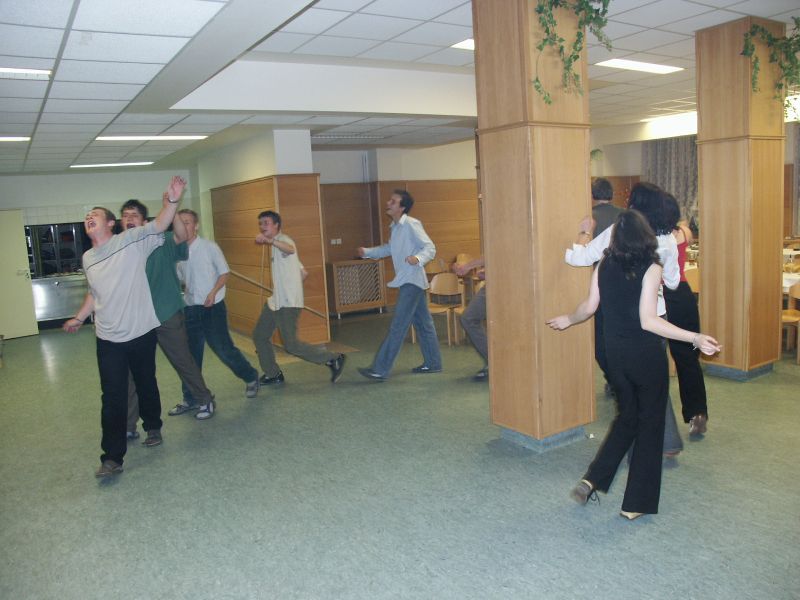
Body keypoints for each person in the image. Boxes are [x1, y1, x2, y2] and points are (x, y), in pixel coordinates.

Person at [547, 210, 720, 520]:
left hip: (615, 356)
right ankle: (635, 504)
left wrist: (568, 320)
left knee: (627, 417)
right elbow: (649, 321)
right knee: (650, 424)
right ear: (645, 236)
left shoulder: (604, 264)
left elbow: (588, 307)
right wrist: (694, 337)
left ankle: (593, 478)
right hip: (645, 356)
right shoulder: (651, 268)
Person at [63, 176, 187, 478]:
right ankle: (112, 458)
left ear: (110, 223)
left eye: (95, 214)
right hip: (108, 338)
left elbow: (161, 224)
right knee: (112, 397)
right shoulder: (88, 258)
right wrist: (79, 317)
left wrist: (172, 201)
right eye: (86, 216)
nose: (89, 218)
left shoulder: (131, 241)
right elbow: (94, 293)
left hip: (141, 332)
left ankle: (153, 426)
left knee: (145, 383)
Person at [566, 182, 684, 457]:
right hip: (657, 316)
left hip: (625, 318)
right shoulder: (667, 238)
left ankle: (641, 444)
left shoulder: (618, 231)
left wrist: (584, 232)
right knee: (652, 380)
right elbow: (673, 282)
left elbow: (580, 258)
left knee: (630, 382)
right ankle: (667, 441)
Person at [119, 197, 216, 431]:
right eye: (126, 215)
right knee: (132, 373)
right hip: (136, 320)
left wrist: (172, 207)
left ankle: (204, 399)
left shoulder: (160, 240)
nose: (129, 219)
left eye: (134, 215)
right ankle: (130, 425)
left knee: (182, 360)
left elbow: (182, 235)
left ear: (145, 221)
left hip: (166, 313)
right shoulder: (119, 248)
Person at [252, 210, 346, 385]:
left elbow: (290, 249)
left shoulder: (284, 240)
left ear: (276, 225)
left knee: (291, 345)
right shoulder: (276, 246)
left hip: (287, 303)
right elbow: (303, 273)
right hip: (276, 301)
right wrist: (290, 283)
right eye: (260, 223)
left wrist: (270, 241)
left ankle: (333, 359)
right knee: (259, 336)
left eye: (266, 223)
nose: (262, 227)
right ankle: (273, 374)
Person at [356, 189, 441, 381]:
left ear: (402, 208)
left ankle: (380, 369)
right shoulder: (395, 227)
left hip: (412, 280)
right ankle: (434, 363)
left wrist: (417, 258)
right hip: (411, 281)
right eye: (390, 200)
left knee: (398, 326)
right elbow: (389, 249)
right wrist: (367, 252)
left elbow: (430, 247)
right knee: (424, 324)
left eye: (393, 201)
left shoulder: (411, 224)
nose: (388, 203)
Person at [176, 209, 260, 402]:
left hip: (212, 308)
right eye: (180, 223)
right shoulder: (178, 252)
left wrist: (213, 292)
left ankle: (250, 376)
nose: (183, 226)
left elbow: (224, 273)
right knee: (190, 356)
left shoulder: (209, 247)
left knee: (223, 350)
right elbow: (180, 278)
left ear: (196, 226)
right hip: (190, 309)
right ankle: (190, 397)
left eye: (187, 222)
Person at [662, 194, 709, 436]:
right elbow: (685, 230)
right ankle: (697, 413)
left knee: (653, 358)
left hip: (658, 295)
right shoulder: (683, 232)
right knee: (687, 357)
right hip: (682, 295)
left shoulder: (651, 238)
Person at [589, 178, 622, 397]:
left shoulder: (589, 218)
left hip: (599, 285)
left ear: (592, 194)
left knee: (600, 339)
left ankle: (613, 378)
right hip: (624, 284)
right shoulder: (625, 215)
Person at [452, 256, 488, 381]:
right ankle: (493, 361)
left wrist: (467, 266)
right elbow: (493, 255)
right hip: (494, 284)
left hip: (510, 284)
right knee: (468, 318)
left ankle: (497, 363)